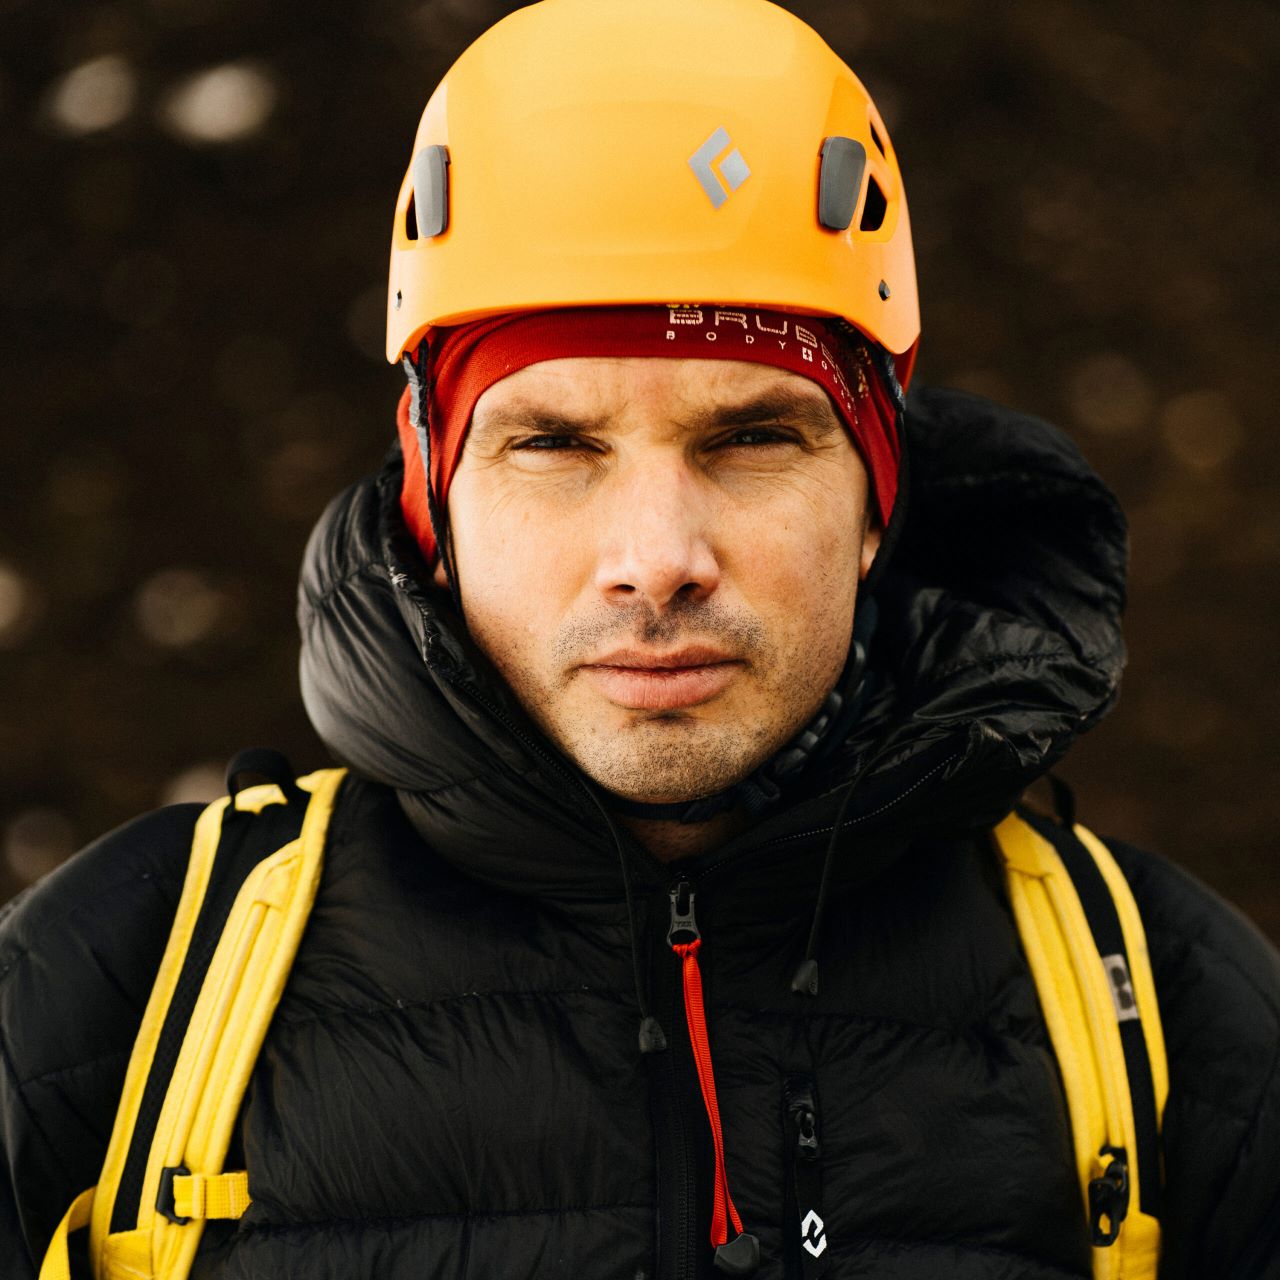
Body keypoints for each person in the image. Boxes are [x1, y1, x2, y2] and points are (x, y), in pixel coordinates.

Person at [3, 1, 1279, 1277]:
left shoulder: (1165, 1012)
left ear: (878, 494)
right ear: (430, 497)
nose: (655, 556)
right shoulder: (117, 994)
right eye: (553, 443)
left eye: (751, 437)